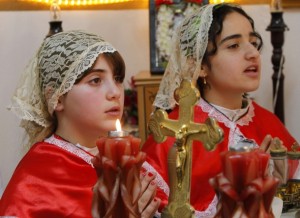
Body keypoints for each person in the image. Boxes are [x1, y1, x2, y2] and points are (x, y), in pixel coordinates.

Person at [141, 3, 299, 218]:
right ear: (201, 66)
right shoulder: (173, 134)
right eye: (233, 45)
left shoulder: (268, 121)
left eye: (253, 42)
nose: (252, 53)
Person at [0, 30, 160, 217]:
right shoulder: (34, 180)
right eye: (95, 80)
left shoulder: (128, 162)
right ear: (57, 98)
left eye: (117, 79)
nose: (115, 92)